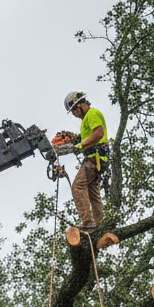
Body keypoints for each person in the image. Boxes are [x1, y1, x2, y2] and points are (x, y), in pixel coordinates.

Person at [64, 91, 110, 233]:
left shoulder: (92, 114)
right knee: (92, 193)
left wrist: (80, 145)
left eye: (74, 111)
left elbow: (99, 133)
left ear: (79, 105)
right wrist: (74, 138)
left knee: (77, 187)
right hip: (98, 159)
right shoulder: (87, 119)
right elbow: (88, 136)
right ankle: (100, 226)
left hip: (94, 159)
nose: (74, 115)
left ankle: (88, 222)